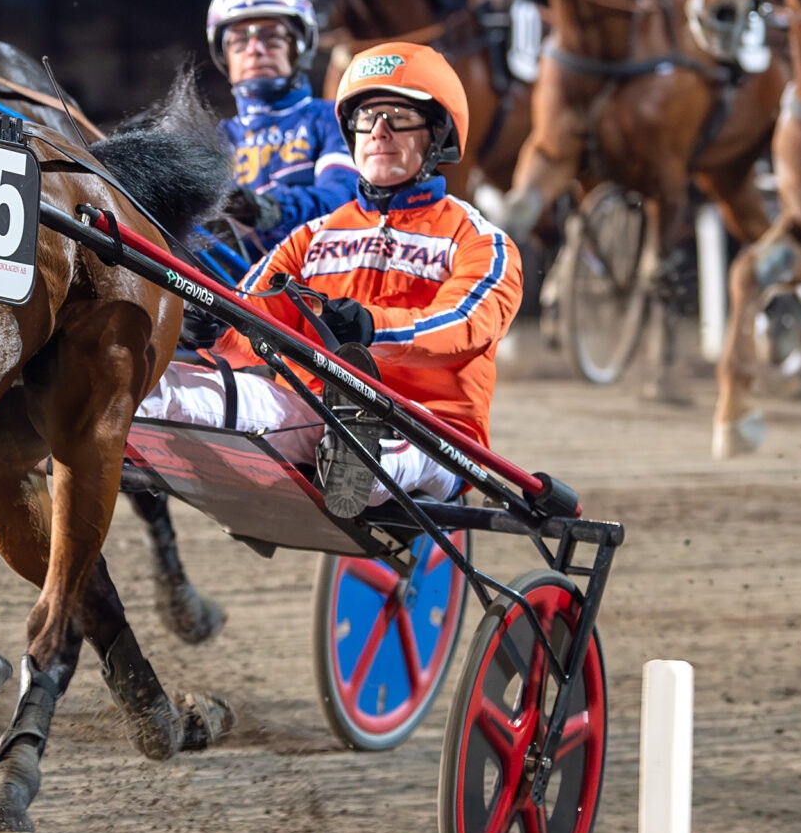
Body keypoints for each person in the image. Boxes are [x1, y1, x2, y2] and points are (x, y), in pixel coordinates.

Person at [140, 41, 522, 514]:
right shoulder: (312, 237)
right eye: (366, 119)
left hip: (435, 431)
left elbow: (466, 324)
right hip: (313, 410)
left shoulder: (480, 241)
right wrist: (212, 327)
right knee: (167, 389)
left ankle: (359, 452)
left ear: (438, 134)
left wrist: (371, 327)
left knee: (387, 440)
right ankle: (96, 419)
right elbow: (252, 306)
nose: (379, 132)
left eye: (398, 117)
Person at [205, 0, 355, 253]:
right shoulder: (217, 139)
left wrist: (272, 209)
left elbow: (342, 197)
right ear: (224, 57)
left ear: (300, 48)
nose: (255, 50)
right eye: (239, 42)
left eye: (272, 38)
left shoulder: (333, 119)